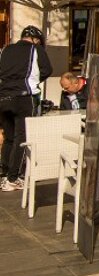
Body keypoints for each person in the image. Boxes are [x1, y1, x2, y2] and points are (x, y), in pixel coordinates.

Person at [0, 26, 51, 190]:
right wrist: (34, 81)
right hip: (24, 97)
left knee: (8, 137)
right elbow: (47, 70)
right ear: (36, 40)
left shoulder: (6, 49)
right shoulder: (35, 49)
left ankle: (3, 175)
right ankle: (13, 178)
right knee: (21, 138)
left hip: (3, 97)